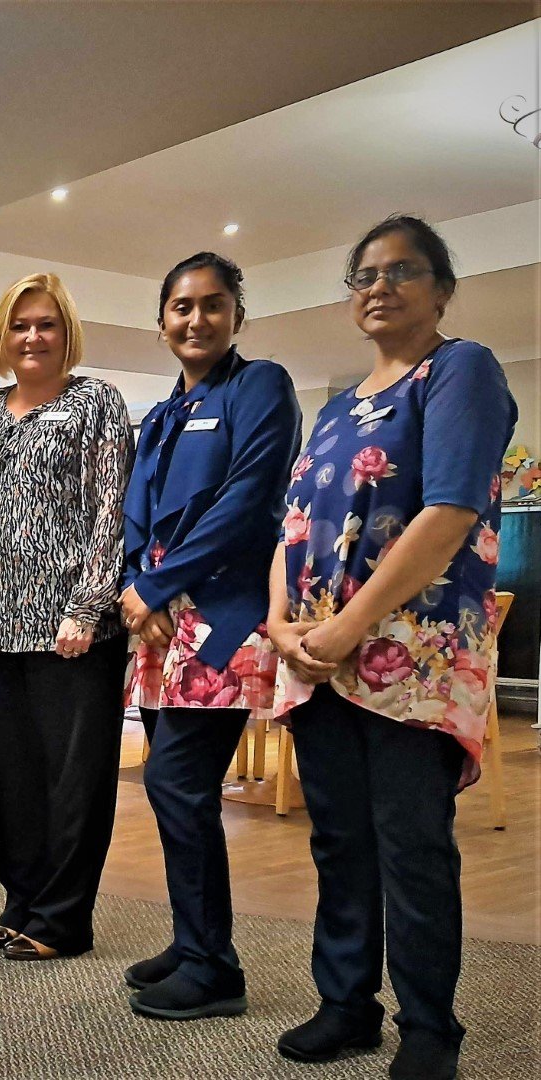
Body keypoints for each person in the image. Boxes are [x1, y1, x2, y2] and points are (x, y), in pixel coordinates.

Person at [269, 216, 515, 1080]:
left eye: (403, 270)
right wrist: (282, 624)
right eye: (365, 274)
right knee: (339, 840)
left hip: (411, 656)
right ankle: (346, 1006)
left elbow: (449, 513)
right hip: (319, 657)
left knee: (412, 845)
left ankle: (429, 1030)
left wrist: (345, 628)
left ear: (441, 289)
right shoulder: (339, 407)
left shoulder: (461, 370)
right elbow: (293, 524)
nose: (379, 286)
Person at [120, 252, 301, 1019]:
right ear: (162, 321)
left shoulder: (259, 387)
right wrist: (140, 583)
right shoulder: (163, 413)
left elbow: (247, 501)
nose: (196, 319)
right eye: (182, 307)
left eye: (213, 304)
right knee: (174, 791)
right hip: (159, 623)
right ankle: (192, 941)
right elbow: (134, 511)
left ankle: (214, 968)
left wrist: (157, 584)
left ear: (236, 315)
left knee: (177, 783)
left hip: (221, 618)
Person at [0, 273, 133, 961]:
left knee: (74, 781)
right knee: (13, 778)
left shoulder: (96, 402)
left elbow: (110, 510)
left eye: (47, 324)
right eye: (20, 324)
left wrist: (86, 607)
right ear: (1, 335)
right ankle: (22, 901)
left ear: (67, 334)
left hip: (72, 629)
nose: (32, 336)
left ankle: (63, 919)